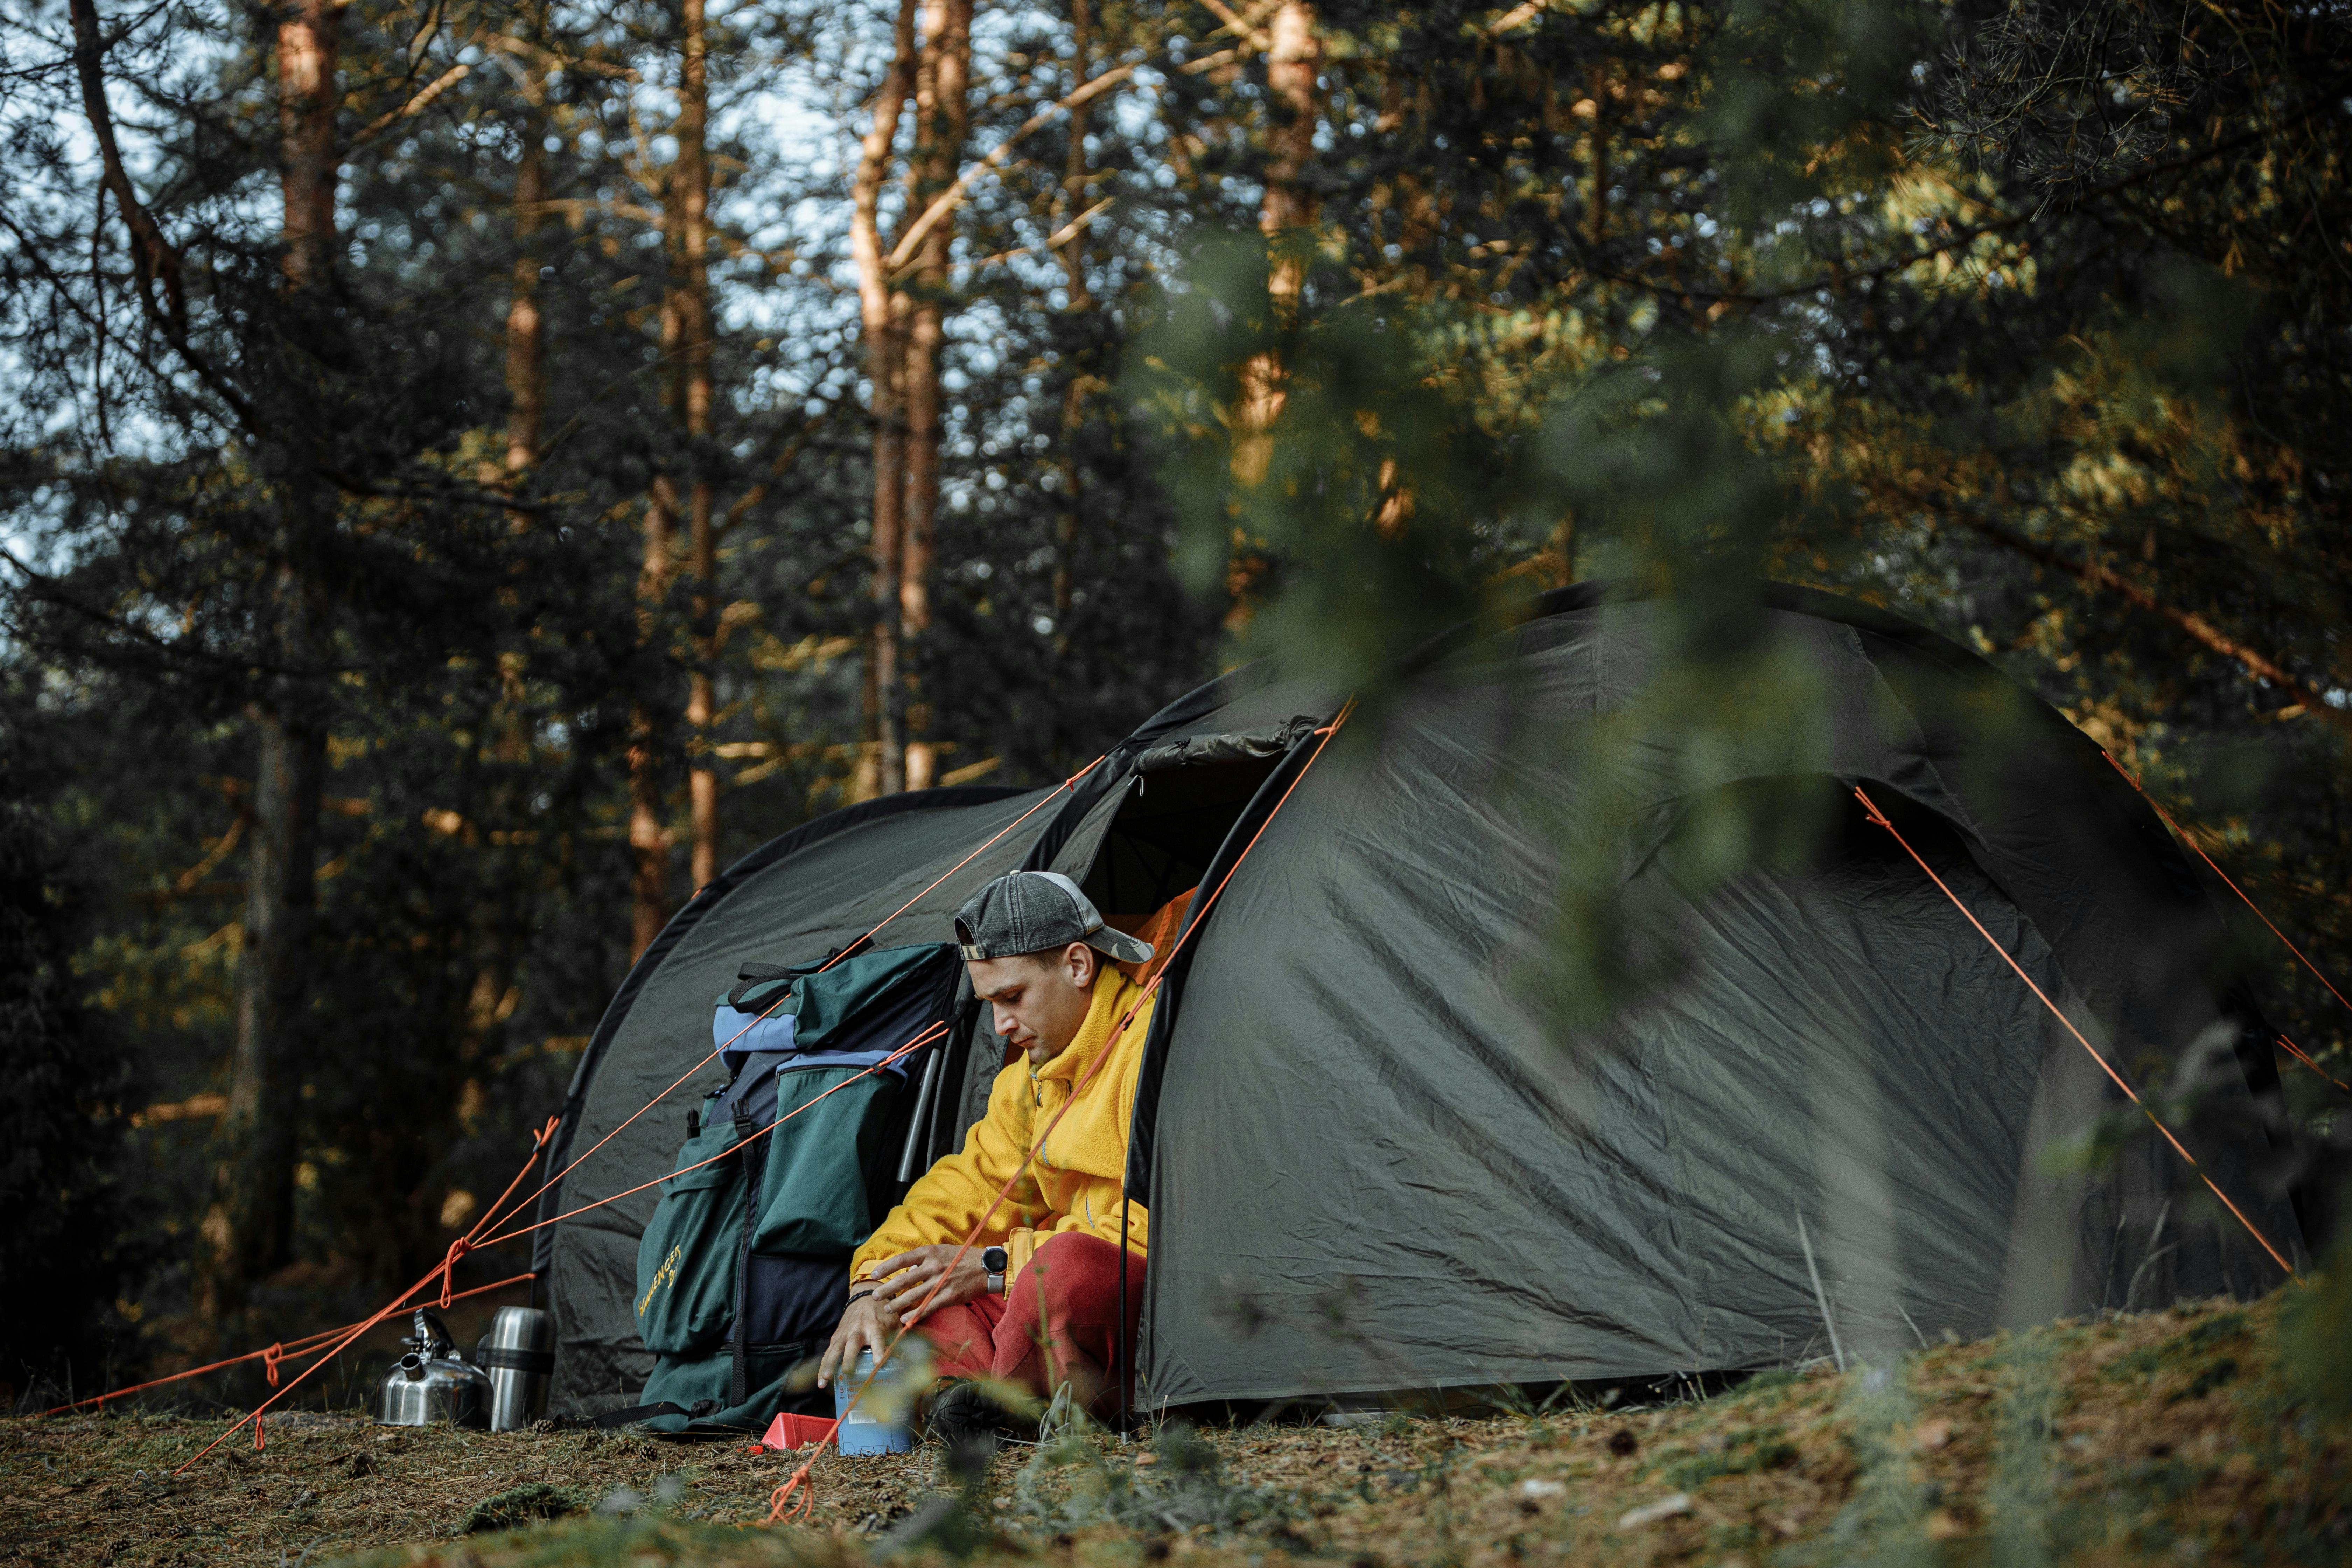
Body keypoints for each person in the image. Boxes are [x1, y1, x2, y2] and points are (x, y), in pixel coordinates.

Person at [816, 869, 1160, 1441]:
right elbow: (966, 1187)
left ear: (1078, 965)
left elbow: (1167, 1224)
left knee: (1062, 1270)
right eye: (989, 1003)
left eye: (1013, 997)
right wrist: (872, 1288)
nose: (1001, 1025)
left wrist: (1002, 1265)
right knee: (920, 1292)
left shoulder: (1150, 1044)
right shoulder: (1028, 1080)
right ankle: (979, 1406)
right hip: (1039, 1305)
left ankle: (1002, 1405)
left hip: (1132, 1297)